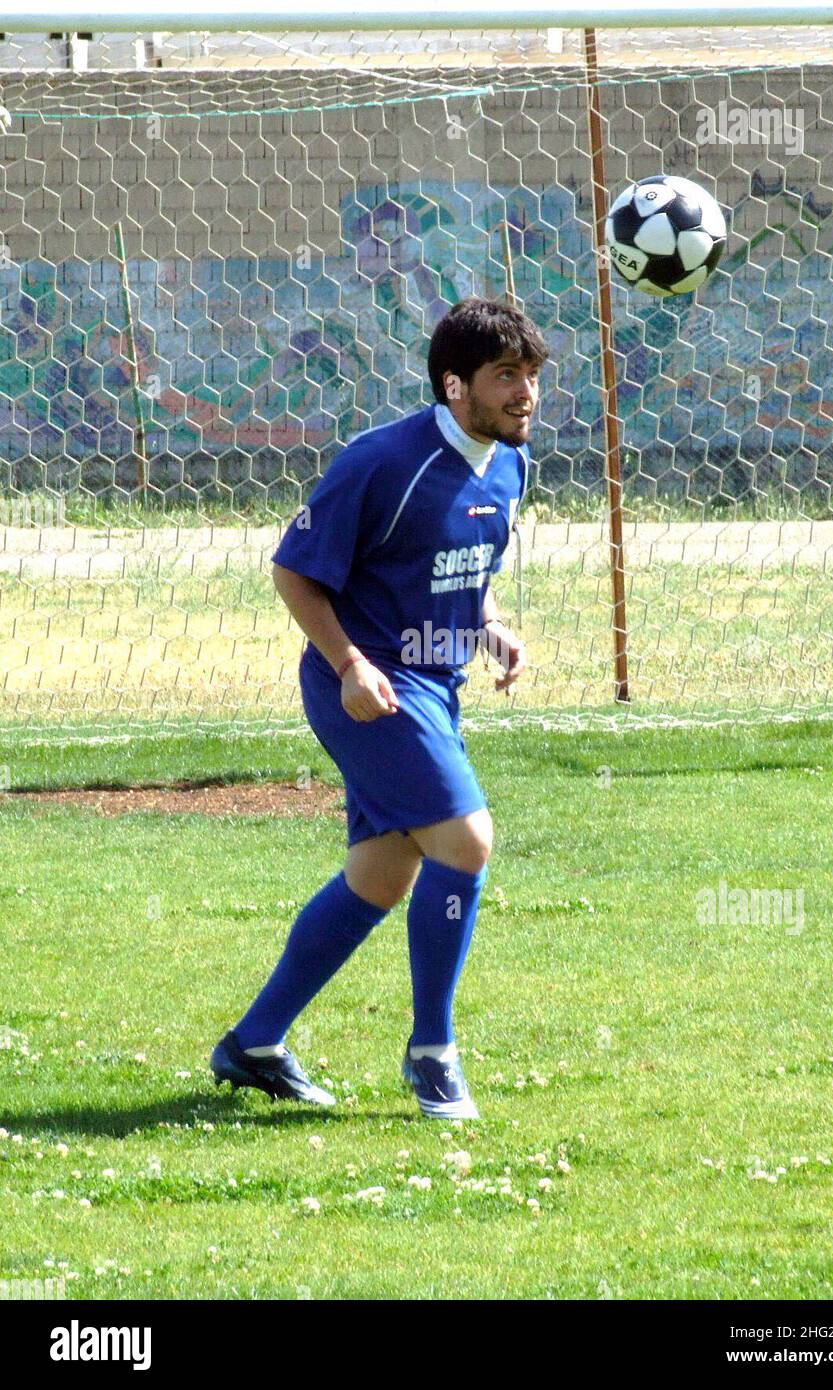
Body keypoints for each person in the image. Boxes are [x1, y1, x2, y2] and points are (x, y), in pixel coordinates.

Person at [211, 297, 548, 1118]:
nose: (526, 394)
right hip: (362, 687)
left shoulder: (509, 463)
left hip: (435, 685)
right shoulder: (380, 461)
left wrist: (492, 628)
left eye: (533, 376)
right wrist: (350, 664)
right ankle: (432, 1051)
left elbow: (465, 569)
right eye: (506, 375)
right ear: (454, 384)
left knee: (382, 875)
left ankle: (253, 1043)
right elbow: (295, 571)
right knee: (466, 841)